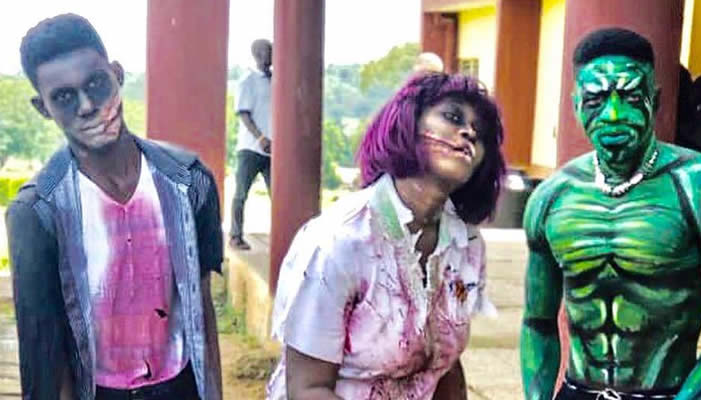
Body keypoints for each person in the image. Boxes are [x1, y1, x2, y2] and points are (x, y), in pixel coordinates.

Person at [520, 28, 701, 400]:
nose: (614, 115)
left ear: (655, 99)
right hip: (576, 390)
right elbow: (538, 323)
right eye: (596, 100)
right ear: (576, 104)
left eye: (631, 97)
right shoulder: (552, 197)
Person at [6, 14, 223, 400]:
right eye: (65, 97)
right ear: (43, 108)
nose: (88, 106)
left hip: (181, 387)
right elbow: (44, 350)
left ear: (117, 75)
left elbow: (200, 306)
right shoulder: (37, 213)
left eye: (96, 84)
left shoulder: (189, 183)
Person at [266, 73, 506, 399]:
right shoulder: (339, 241)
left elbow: (444, 367)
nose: (469, 133)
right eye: (452, 117)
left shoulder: (467, 246)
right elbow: (307, 390)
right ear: (408, 123)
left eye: (480, 133)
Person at [230, 38, 273, 250]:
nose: (270, 55)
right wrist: (260, 137)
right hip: (251, 148)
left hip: (274, 150)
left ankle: (283, 235)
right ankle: (236, 236)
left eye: (272, 51)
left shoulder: (276, 81)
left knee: (278, 196)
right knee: (241, 194)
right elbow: (243, 114)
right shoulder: (247, 80)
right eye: (266, 51)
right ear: (256, 54)